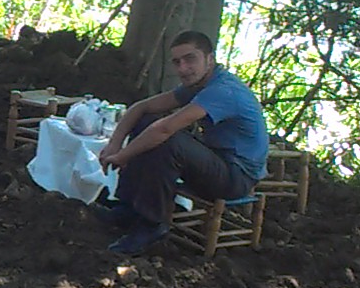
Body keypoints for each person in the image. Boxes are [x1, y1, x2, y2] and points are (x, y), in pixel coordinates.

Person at [92, 30, 268, 254]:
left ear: (210, 59)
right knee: (148, 123)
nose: (183, 69)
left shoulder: (223, 91)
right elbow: (141, 108)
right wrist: (114, 144)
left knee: (168, 139)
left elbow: (165, 129)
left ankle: (152, 224)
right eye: (177, 62)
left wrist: (122, 157)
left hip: (236, 176)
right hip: (215, 160)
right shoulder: (197, 85)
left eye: (190, 59)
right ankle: (127, 208)